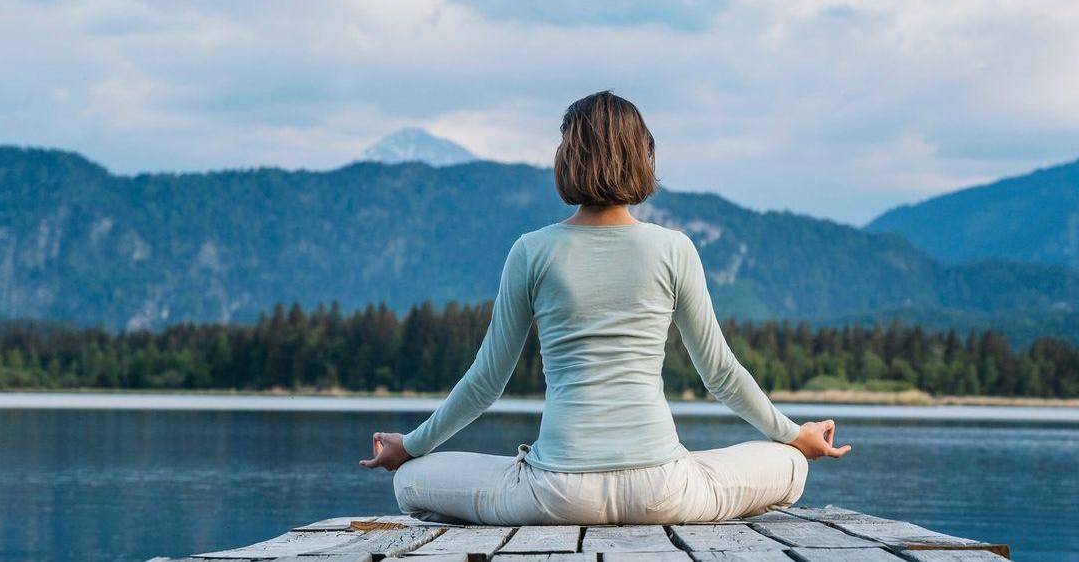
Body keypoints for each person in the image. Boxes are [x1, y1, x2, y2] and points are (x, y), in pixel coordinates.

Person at [359, 90, 850, 525]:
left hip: (553, 494)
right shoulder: (674, 248)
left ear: (568, 158)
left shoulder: (531, 250)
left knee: (411, 481)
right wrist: (793, 434)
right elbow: (720, 373)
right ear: (642, 157)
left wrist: (412, 446)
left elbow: (487, 382)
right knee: (791, 464)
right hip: (664, 489)